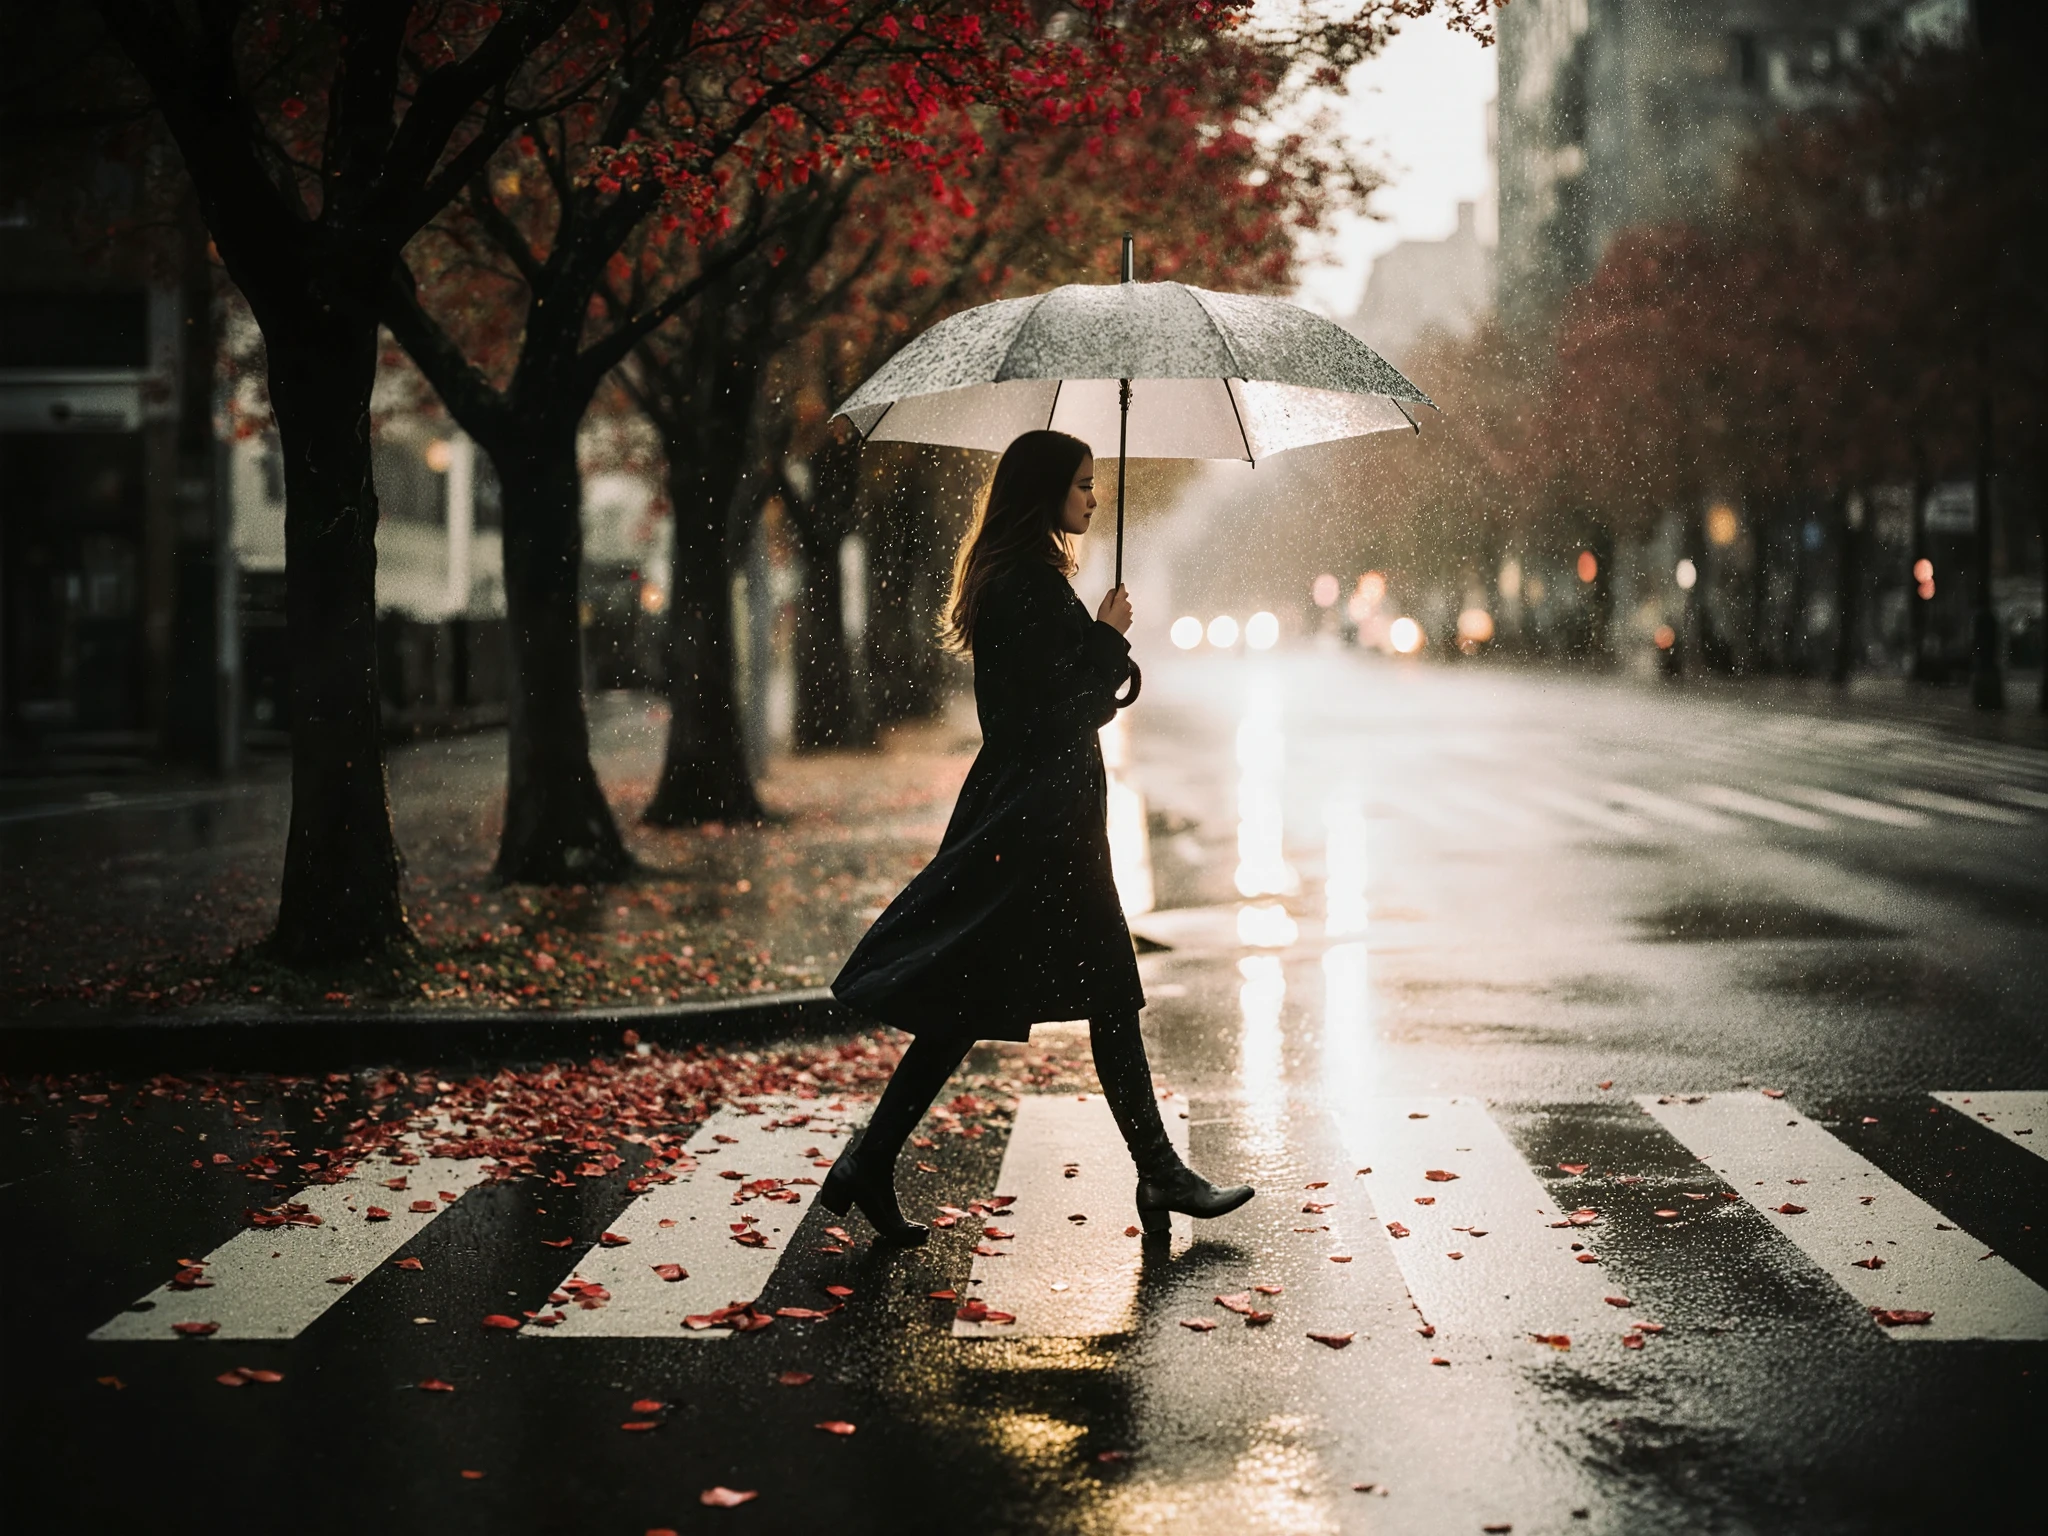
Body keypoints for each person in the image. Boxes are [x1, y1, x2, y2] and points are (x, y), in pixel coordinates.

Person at [825, 428, 1254, 1243]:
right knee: (1107, 993)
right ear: (1044, 491)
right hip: (1041, 827)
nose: (1094, 497)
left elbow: (1065, 696)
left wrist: (1101, 649)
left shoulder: (1025, 576)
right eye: (1083, 484)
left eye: (1095, 484)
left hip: (1040, 818)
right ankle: (1159, 1175)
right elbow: (1046, 716)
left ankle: (868, 1162)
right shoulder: (1023, 584)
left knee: (973, 1003)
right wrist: (1105, 636)